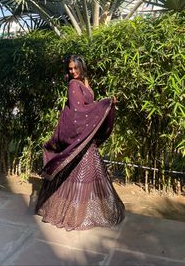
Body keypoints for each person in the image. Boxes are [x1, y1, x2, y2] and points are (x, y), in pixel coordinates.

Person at [35, 55, 125, 231]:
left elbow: (87, 107)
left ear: (81, 67)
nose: (73, 72)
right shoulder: (73, 84)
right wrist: (104, 103)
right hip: (79, 132)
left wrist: (104, 104)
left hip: (86, 134)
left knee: (85, 172)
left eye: (75, 68)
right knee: (80, 171)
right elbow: (78, 111)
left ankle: (84, 212)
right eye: (70, 69)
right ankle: (73, 214)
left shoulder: (85, 82)